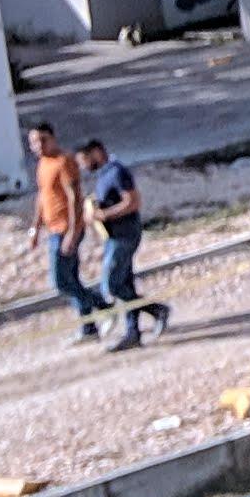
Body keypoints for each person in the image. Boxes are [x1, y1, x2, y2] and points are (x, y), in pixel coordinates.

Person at [79, 138, 157, 348]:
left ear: (96, 153)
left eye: (84, 160)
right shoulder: (104, 175)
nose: (84, 166)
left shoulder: (117, 172)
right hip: (113, 236)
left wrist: (105, 214)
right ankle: (133, 332)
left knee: (112, 285)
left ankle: (155, 310)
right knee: (125, 282)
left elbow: (132, 201)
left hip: (124, 235)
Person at [27, 119, 96, 336]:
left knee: (61, 282)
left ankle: (102, 304)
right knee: (71, 279)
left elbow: (75, 197)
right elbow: (42, 196)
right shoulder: (43, 164)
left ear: (53, 138)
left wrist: (73, 232)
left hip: (66, 229)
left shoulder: (64, 161)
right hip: (53, 228)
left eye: (43, 140)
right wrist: (35, 228)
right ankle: (89, 326)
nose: (39, 146)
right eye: (34, 142)